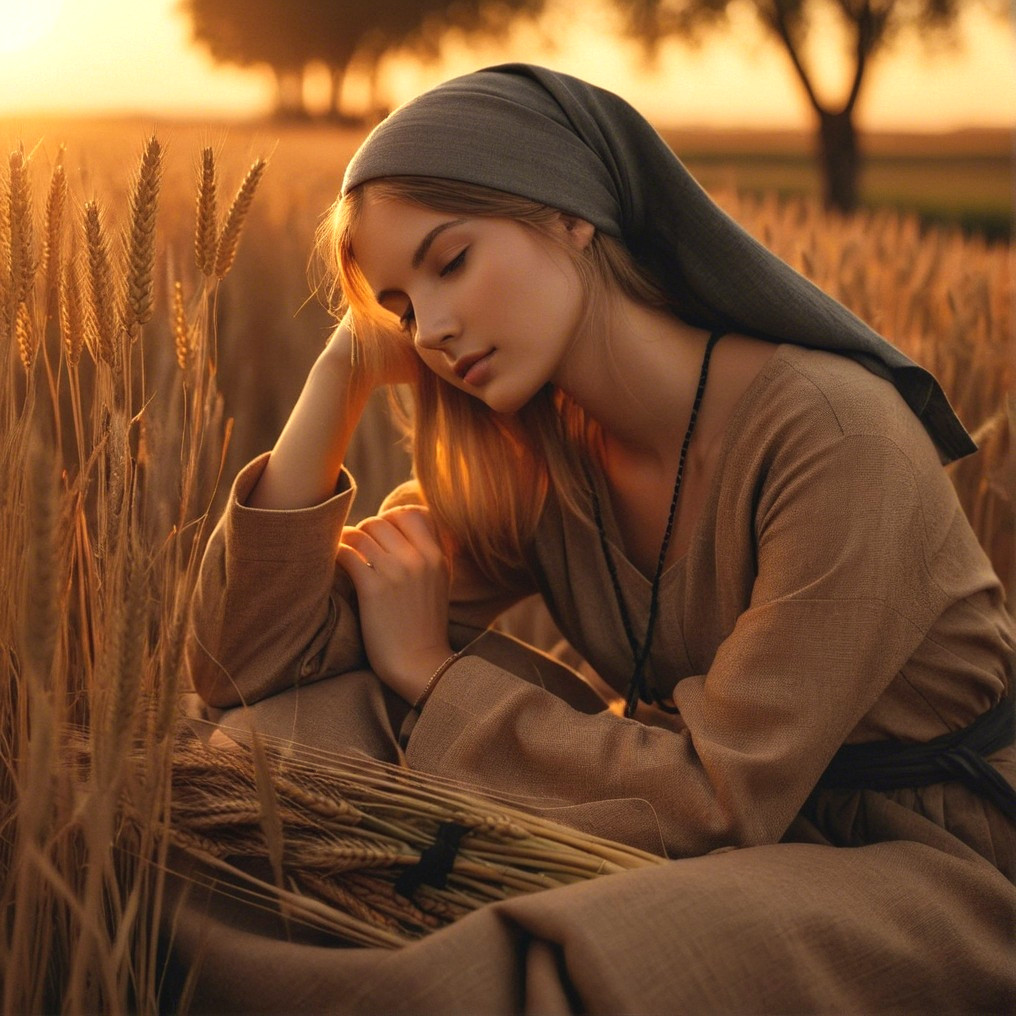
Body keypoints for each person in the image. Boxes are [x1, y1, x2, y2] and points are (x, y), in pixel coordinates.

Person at [178, 65, 1015, 1013]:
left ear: (571, 213)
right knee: (259, 753)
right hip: (712, 827)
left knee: (576, 961)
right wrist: (342, 368)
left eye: (451, 263)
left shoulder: (837, 436)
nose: (435, 332)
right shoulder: (540, 450)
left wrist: (432, 673)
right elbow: (249, 661)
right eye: (403, 308)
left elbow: (718, 801)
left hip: (927, 853)